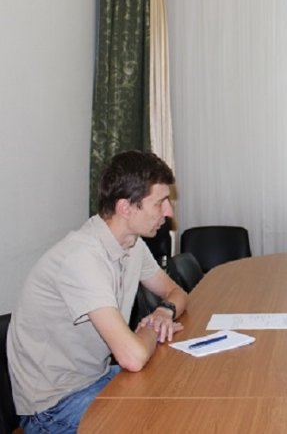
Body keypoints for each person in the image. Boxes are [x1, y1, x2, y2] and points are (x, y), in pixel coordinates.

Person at [7, 150, 188, 434]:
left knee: (181, 388)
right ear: (126, 208)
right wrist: (152, 328)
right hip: (54, 407)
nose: (169, 212)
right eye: (159, 202)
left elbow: (176, 292)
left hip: (96, 379)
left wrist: (165, 311)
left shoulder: (133, 245)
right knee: (164, 421)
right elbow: (132, 357)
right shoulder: (82, 257)